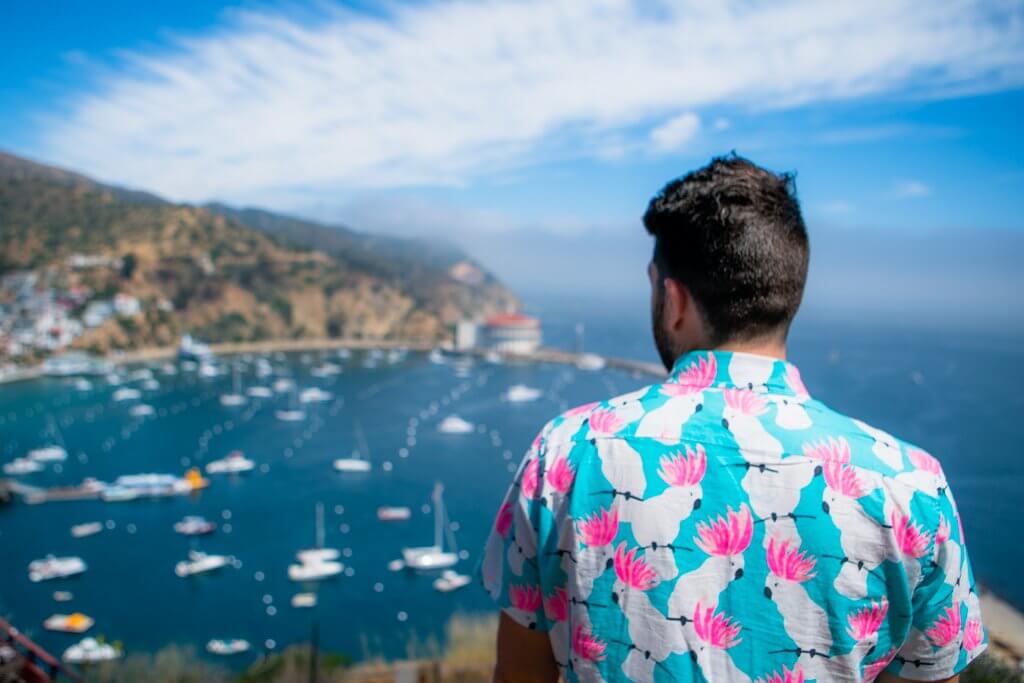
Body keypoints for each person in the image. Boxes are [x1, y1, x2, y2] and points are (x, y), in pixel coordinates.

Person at [479, 155, 985, 682]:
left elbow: (518, 673)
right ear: (788, 296)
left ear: (672, 299)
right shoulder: (910, 484)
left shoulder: (563, 454)